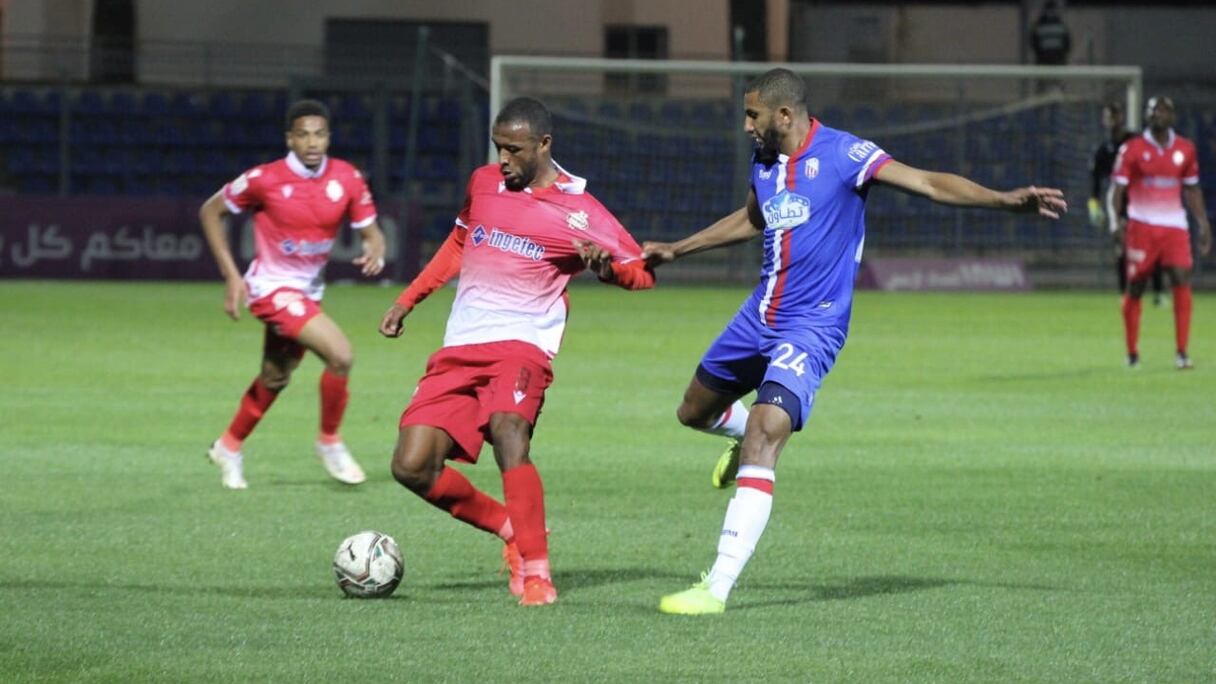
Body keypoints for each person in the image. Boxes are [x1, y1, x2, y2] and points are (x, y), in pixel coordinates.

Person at [642, 68, 1067, 615]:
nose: (746, 124)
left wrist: (1005, 202)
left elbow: (930, 183)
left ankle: (716, 587)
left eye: (753, 115)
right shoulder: (767, 161)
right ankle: (741, 428)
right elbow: (755, 218)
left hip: (814, 324)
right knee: (692, 412)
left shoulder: (846, 155)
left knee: (768, 435)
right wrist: (679, 249)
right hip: (759, 314)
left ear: (785, 115)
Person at [378, 97, 655, 606]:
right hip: (461, 346)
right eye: (498, 147)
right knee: (411, 466)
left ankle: (537, 574)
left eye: (514, 149)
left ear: (544, 144)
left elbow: (642, 273)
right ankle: (509, 528)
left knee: (509, 429)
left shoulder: (582, 210)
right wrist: (407, 299)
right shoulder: (484, 183)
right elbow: (460, 243)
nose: (502, 159)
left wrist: (605, 270)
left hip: (523, 345)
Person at [199, 99, 387, 490]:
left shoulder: (348, 178)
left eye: (319, 134)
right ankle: (330, 441)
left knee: (276, 375)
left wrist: (376, 248)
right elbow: (209, 212)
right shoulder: (264, 179)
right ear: (290, 138)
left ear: (328, 137)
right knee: (340, 354)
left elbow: (371, 231)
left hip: (308, 292)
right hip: (271, 290)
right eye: (303, 134)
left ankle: (229, 447)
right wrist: (232, 277)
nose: (312, 142)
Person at [1110, 95, 1212, 370]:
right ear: (1146, 115)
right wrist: (1115, 223)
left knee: (1181, 277)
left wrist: (1203, 224)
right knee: (1137, 286)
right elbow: (1117, 191)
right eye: (1153, 109)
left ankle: (1182, 352)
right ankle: (1132, 353)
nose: (1158, 114)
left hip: (1174, 226)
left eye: (1164, 110)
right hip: (1141, 225)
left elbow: (1192, 188)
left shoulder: (1185, 149)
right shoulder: (1131, 149)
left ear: (1173, 116)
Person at [1090, 103, 1166, 303]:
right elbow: (1096, 181)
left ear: (1121, 117)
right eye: (1107, 117)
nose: (1110, 121)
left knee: (1152, 246)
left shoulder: (1135, 141)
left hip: (1141, 198)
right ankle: (1125, 293)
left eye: (1113, 116)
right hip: (1118, 200)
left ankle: (1158, 292)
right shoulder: (1102, 150)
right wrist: (1094, 206)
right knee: (1121, 247)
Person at [1030, 0, 1071, 66]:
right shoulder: (1060, 25)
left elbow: (1067, 43)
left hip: (1057, 61)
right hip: (1045, 61)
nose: (1050, 13)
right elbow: (1034, 42)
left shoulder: (1060, 26)